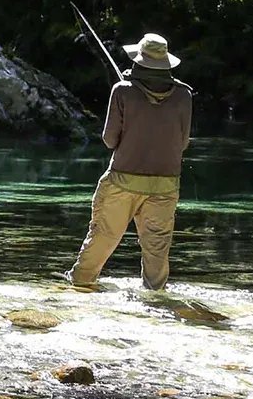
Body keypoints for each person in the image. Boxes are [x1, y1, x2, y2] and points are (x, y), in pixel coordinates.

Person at [67, 32, 193, 291]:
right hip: (166, 186)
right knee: (156, 252)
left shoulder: (122, 91)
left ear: (138, 61)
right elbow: (182, 144)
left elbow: (109, 140)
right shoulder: (184, 96)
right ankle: (155, 300)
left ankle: (78, 288)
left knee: (102, 239)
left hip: (122, 181)